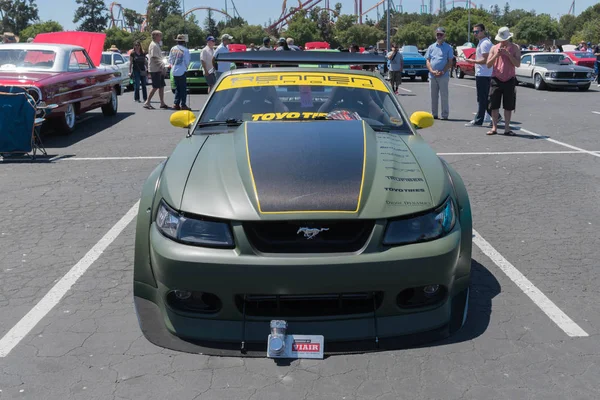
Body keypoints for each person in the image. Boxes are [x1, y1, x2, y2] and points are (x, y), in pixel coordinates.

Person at [485, 27, 521, 136]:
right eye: (501, 39)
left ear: (509, 38)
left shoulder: (515, 48)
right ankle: (494, 127)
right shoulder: (494, 48)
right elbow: (488, 64)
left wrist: (508, 54)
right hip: (496, 78)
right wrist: (497, 55)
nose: (502, 41)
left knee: (508, 105)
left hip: (509, 79)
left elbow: (517, 64)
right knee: (494, 105)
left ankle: (507, 128)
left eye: (504, 39)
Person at [465, 23, 493, 127]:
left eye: (476, 31)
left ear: (482, 31)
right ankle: (495, 116)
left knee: (482, 98)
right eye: (473, 32)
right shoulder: (481, 42)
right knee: (482, 98)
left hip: (484, 74)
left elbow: (486, 59)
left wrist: (473, 61)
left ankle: (479, 120)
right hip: (482, 74)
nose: (475, 34)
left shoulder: (485, 43)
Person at [424, 27, 454, 120]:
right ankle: (434, 114)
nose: (439, 36)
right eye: (437, 34)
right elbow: (428, 60)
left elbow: (450, 62)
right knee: (433, 96)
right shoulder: (431, 47)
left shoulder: (448, 48)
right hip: (432, 75)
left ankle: (445, 115)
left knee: (444, 95)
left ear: (444, 36)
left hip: (443, 75)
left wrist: (443, 71)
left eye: (441, 34)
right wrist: (432, 71)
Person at [143, 30, 169, 110]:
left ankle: (162, 103)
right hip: (155, 69)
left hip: (158, 69)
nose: (161, 37)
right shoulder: (153, 45)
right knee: (155, 86)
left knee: (161, 86)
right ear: (156, 36)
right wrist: (161, 67)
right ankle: (147, 102)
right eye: (160, 36)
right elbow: (154, 57)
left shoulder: (157, 45)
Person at [169, 34, 191, 110]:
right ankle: (183, 104)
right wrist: (186, 68)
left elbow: (170, 60)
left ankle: (176, 103)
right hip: (182, 70)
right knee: (183, 89)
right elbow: (187, 61)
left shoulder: (172, 49)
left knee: (177, 88)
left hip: (174, 70)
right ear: (183, 42)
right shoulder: (185, 50)